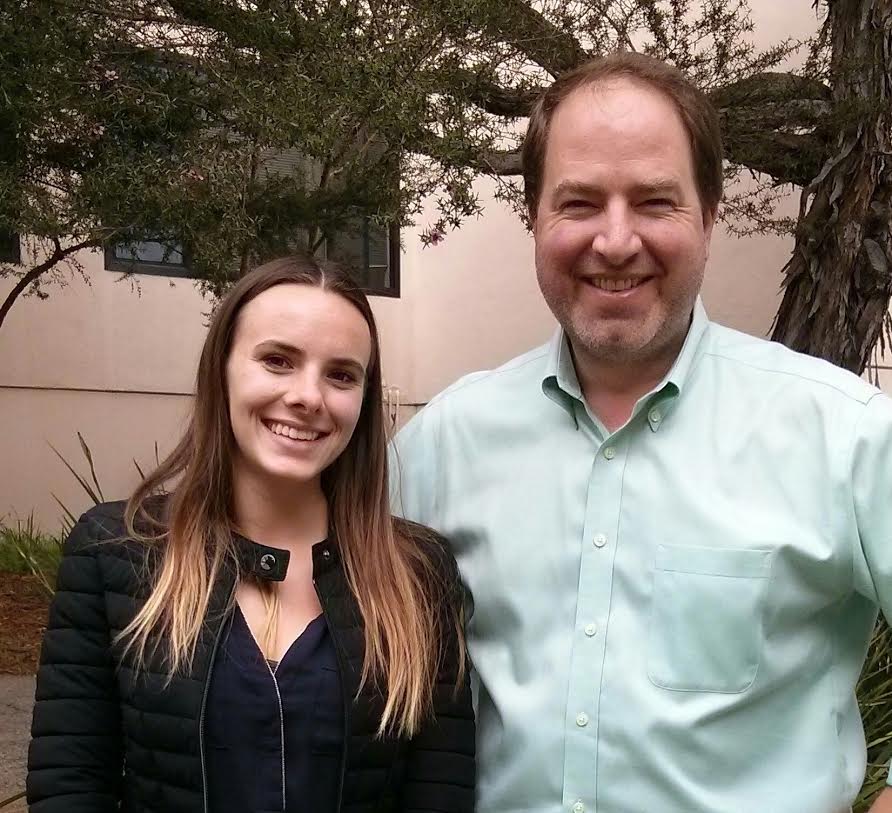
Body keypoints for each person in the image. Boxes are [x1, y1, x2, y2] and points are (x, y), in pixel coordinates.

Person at [392, 50, 892, 813]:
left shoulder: (842, 436)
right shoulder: (441, 446)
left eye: (654, 202)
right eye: (580, 202)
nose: (616, 241)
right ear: (535, 217)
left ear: (709, 215)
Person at [28, 255, 475, 813]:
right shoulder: (116, 550)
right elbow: (70, 784)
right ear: (223, 368)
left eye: (340, 374)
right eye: (278, 360)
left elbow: (440, 793)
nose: (308, 397)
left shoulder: (419, 571)